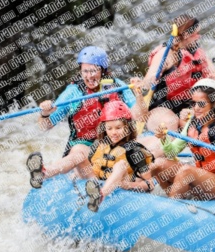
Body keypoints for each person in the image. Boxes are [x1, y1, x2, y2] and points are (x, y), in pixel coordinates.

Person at [26, 46, 145, 188]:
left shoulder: (117, 86)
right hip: (87, 152)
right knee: (78, 152)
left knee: (147, 143)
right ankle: (44, 173)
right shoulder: (73, 92)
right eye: (85, 71)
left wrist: (139, 95)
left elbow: (140, 117)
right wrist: (45, 113)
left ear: (103, 70)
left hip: (116, 148)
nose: (89, 76)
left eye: (93, 70)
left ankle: (118, 183)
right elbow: (45, 126)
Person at [151, 79, 215, 200]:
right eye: (193, 103)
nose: (195, 108)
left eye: (201, 104)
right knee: (157, 165)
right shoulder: (192, 125)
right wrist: (164, 139)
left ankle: (172, 205)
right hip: (204, 180)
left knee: (186, 171)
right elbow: (171, 153)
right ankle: (178, 200)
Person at [136, 14, 215, 120]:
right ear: (185, 35)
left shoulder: (197, 51)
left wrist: (211, 82)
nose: (199, 36)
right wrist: (151, 80)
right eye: (196, 33)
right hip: (166, 108)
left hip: (192, 105)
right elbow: (147, 82)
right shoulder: (165, 54)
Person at [84, 101, 155, 212]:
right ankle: (46, 172)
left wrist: (128, 185)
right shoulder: (98, 146)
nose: (114, 133)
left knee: (121, 164)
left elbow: (150, 184)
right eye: (109, 128)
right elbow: (89, 169)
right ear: (104, 128)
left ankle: (100, 195)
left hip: (124, 185)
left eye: (118, 128)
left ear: (127, 128)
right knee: (77, 154)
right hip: (98, 181)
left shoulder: (135, 151)